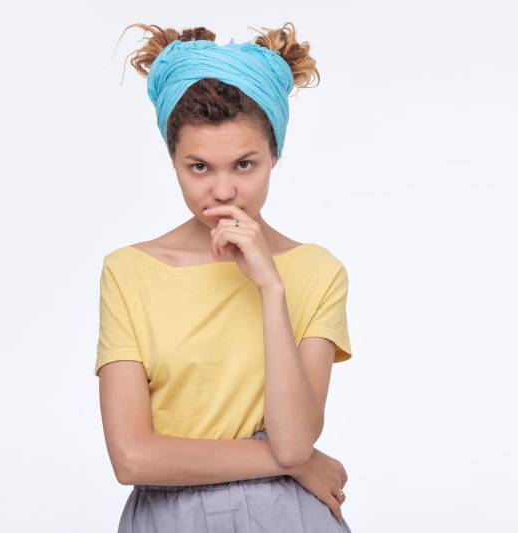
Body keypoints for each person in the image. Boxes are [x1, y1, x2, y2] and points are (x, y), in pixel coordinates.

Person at [95, 21, 354, 532]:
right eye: (199, 168)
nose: (222, 191)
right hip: (170, 519)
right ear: (173, 161)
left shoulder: (317, 273)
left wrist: (271, 288)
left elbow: (293, 439)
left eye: (243, 165)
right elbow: (132, 458)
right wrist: (293, 464)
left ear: (274, 155)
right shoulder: (129, 272)